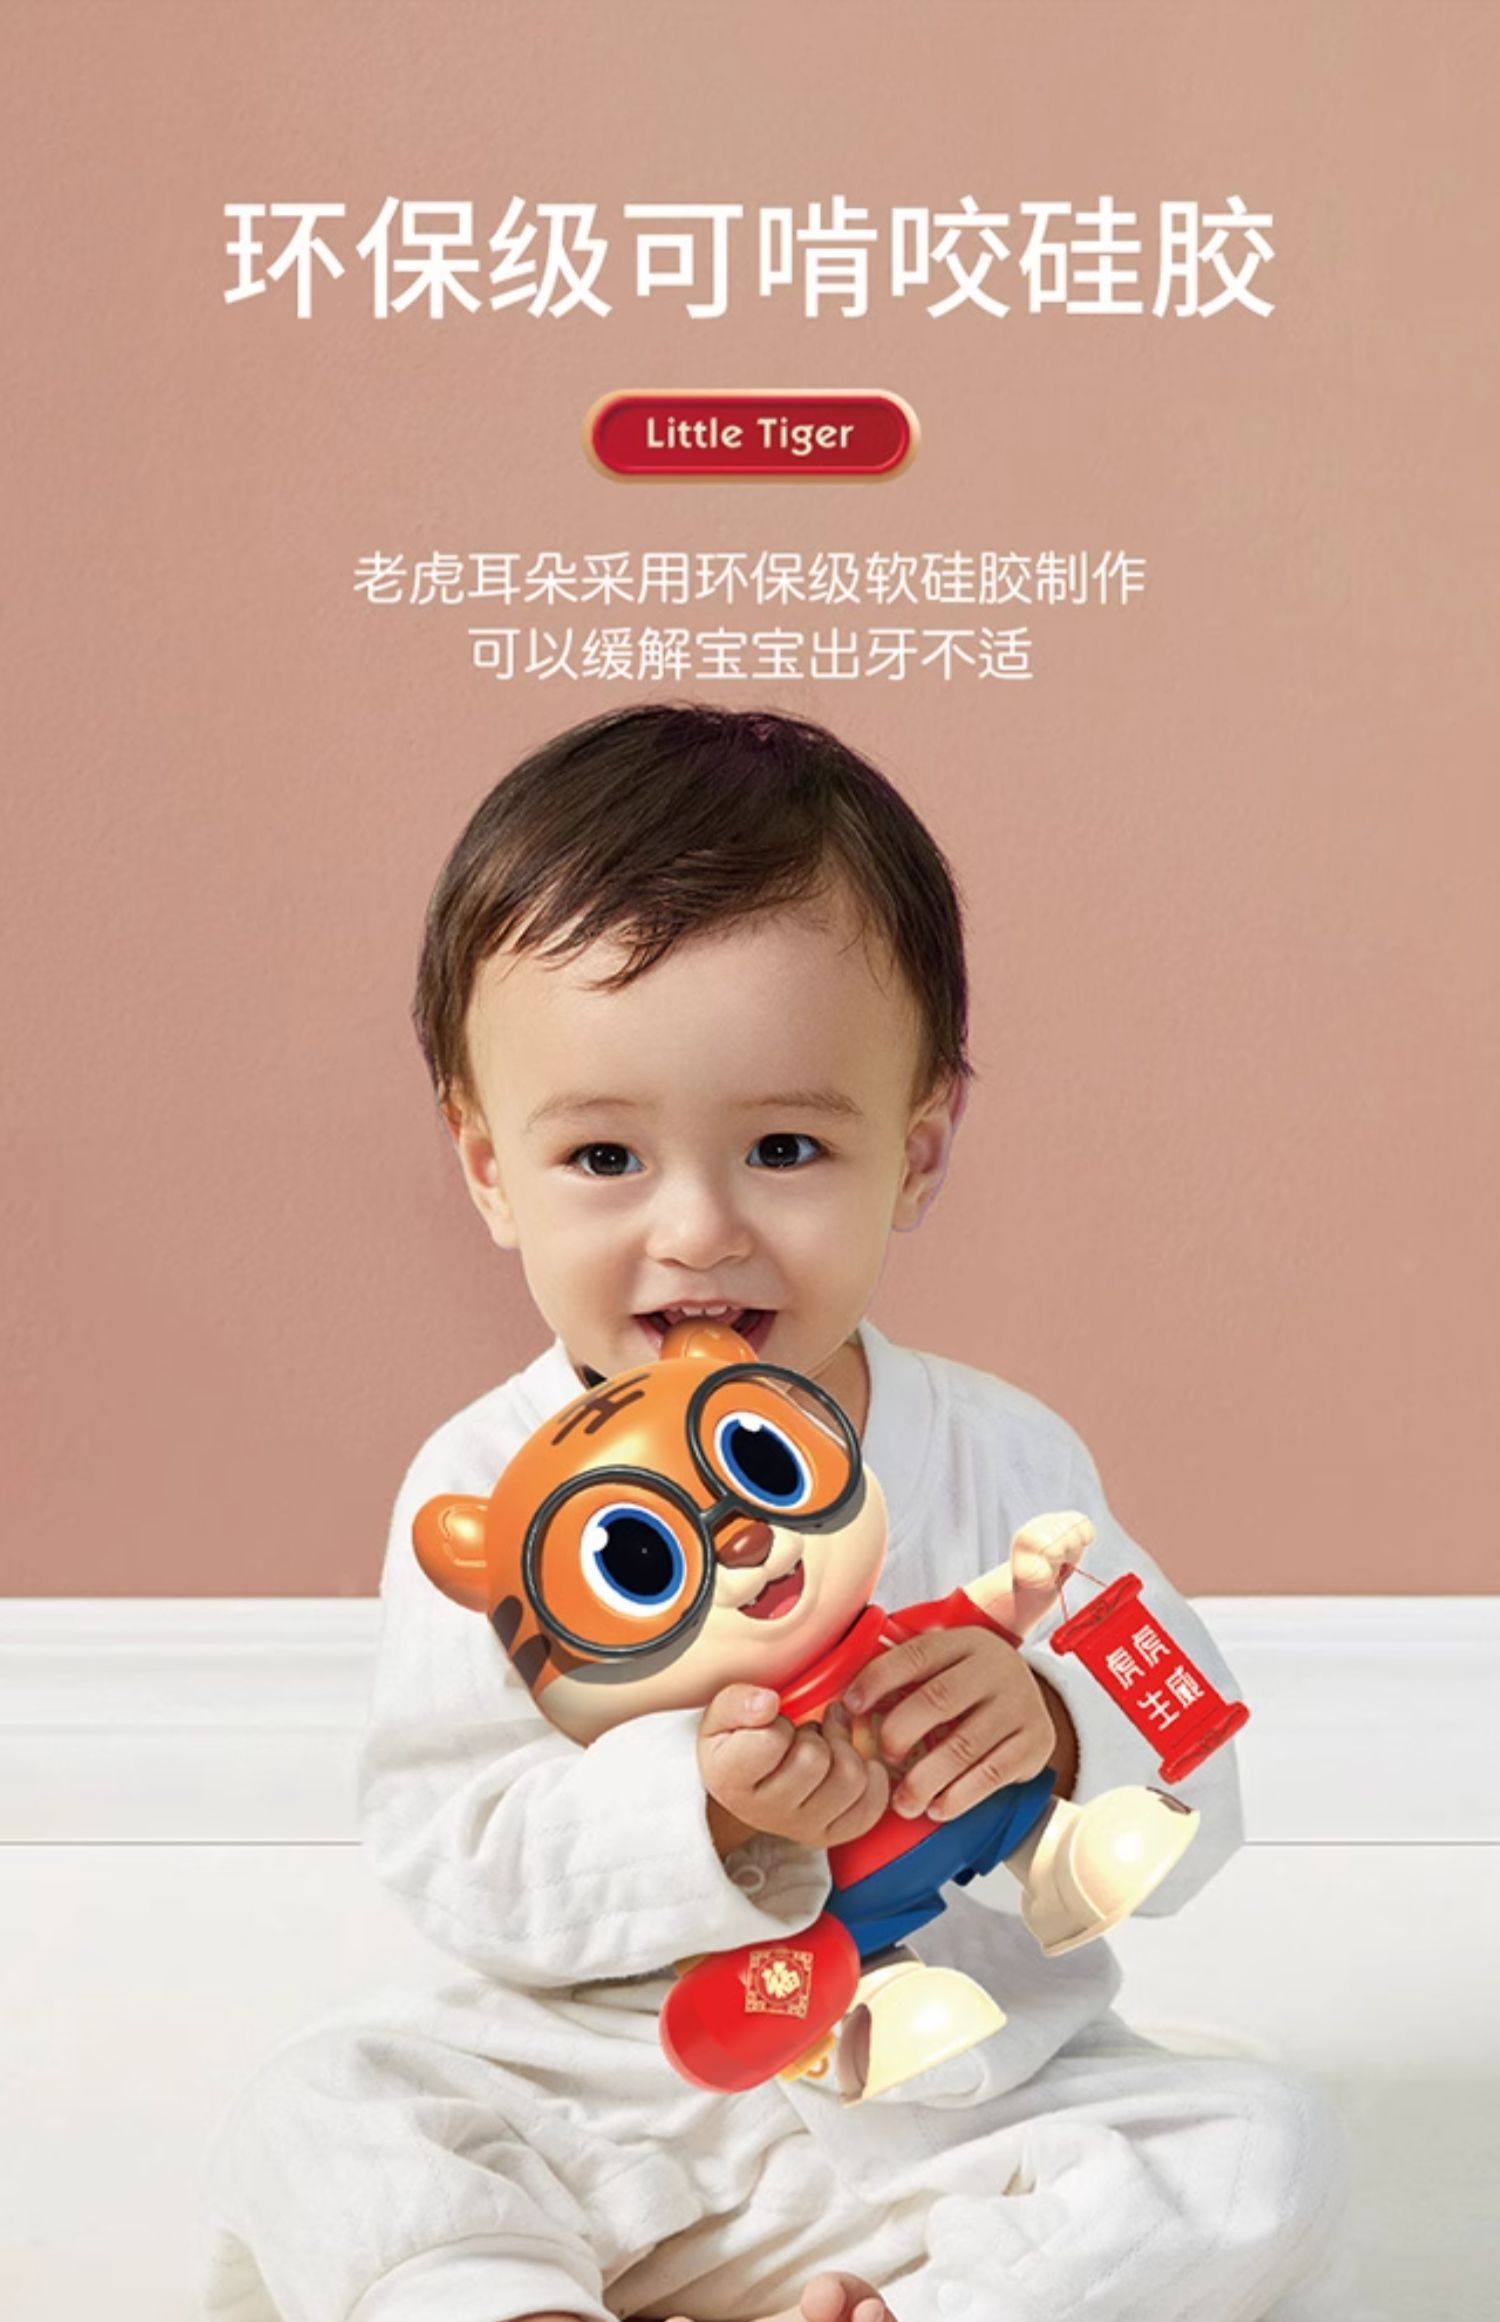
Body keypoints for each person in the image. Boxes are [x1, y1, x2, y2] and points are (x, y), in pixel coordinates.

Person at [203, 704, 1353, 2322]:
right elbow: (456, 1848)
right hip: (602, 2104)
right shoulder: (483, 1488)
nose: (698, 1229)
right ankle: (514, 2296)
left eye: (787, 1146)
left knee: (1257, 2148)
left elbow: (1191, 1770)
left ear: (919, 1149)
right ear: (487, 1167)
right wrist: (711, 1811)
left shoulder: (1007, 1460)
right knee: (324, 2109)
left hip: (942, 2111)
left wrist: (1053, 1727)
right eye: (605, 1155)